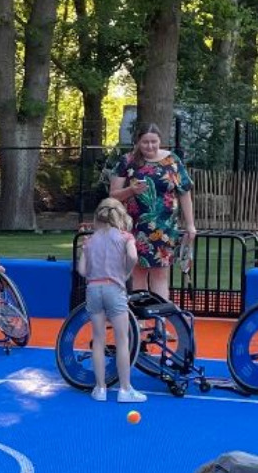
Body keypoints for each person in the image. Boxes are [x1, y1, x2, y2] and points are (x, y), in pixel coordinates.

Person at [106, 123, 196, 297]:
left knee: (160, 273)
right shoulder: (127, 161)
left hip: (165, 227)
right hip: (136, 226)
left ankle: (159, 318)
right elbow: (113, 195)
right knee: (138, 272)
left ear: (160, 141)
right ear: (138, 142)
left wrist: (191, 224)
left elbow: (185, 192)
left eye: (154, 142)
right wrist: (131, 190)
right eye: (145, 142)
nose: (150, 146)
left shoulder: (172, 160)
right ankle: (141, 320)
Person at [75, 199, 146, 404]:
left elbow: (81, 270)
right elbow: (133, 257)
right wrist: (125, 272)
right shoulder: (125, 237)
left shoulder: (90, 241)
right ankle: (125, 389)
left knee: (98, 339)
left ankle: (100, 388)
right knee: (122, 339)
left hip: (93, 288)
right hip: (114, 288)